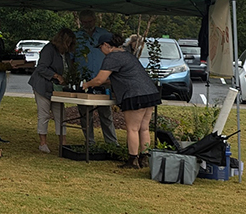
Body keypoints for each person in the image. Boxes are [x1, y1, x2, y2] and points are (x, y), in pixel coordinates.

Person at [82, 32, 162, 168]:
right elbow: (116, 77)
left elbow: (100, 79)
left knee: (132, 129)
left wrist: (87, 84)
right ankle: (144, 158)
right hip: (150, 93)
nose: (101, 50)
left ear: (106, 45)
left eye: (100, 47)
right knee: (144, 128)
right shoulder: (127, 55)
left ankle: (132, 160)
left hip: (134, 94)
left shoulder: (112, 57)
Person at [74, 10, 118, 145]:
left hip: (103, 79)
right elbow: (71, 58)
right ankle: (89, 142)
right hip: (84, 79)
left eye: (90, 21)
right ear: (80, 22)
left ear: (95, 20)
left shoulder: (105, 35)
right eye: (84, 22)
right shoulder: (77, 37)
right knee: (85, 114)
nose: (87, 24)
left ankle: (112, 143)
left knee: (105, 112)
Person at [29, 28, 74, 153]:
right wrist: (56, 75)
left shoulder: (67, 53)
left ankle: (63, 143)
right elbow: (41, 68)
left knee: (61, 114)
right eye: (67, 42)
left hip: (57, 88)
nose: (69, 45)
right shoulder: (49, 49)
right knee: (44, 114)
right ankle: (43, 143)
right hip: (43, 85)